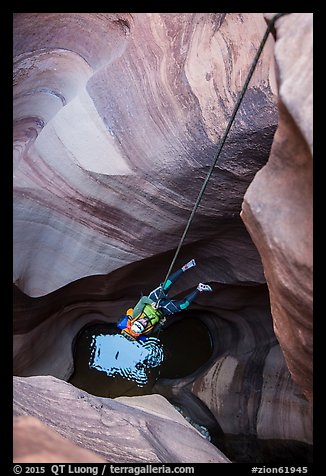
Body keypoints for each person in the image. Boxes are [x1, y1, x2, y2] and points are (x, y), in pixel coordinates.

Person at [117, 259, 212, 342]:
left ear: (136, 321)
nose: (144, 322)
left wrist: (152, 303)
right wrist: (162, 322)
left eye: (140, 322)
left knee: (166, 286)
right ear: (142, 330)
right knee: (183, 305)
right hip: (161, 311)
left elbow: (143, 300)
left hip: (153, 300)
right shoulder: (148, 331)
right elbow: (157, 326)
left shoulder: (135, 314)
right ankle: (199, 288)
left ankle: (185, 267)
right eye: (143, 325)